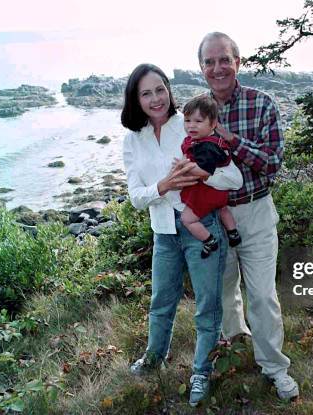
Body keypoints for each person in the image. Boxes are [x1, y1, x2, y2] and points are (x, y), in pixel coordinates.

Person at [120, 63, 243, 406]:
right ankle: (154, 358)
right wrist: (165, 185)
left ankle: (201, 371)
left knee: (207, 305)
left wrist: (198, 176)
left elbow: (233, 179)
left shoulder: (189, 124)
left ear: (169, 91)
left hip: (201, 226)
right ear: (136, 99)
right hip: (163, 232)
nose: (156, 98)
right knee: (161, 302)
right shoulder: (133, 140)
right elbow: (135, 196)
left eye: (160, 89)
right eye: (147, 93)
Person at [197, 32, 300, 401]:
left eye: (224, 59)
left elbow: (272, 165)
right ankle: (237, 345)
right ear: (202, 68)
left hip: (255, 212)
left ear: (237, 63)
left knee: (262, 295)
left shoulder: (262, 104)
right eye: (209, 62)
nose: (217, 68)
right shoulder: (195, 111)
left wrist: (229, 141)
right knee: (224, 294)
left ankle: (275, 367)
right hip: (213, 217)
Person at [180, 95, 242, 259]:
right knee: (223, 208)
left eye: (198, 121)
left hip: (210, 191)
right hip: (220, 193)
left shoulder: (207, 146)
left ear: (213, 124)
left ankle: (209, 240)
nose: (191, 126)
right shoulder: (213, 140)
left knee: (187, 219)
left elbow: (205, 172)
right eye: (187, 120)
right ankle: (233, 232)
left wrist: (184, 168)